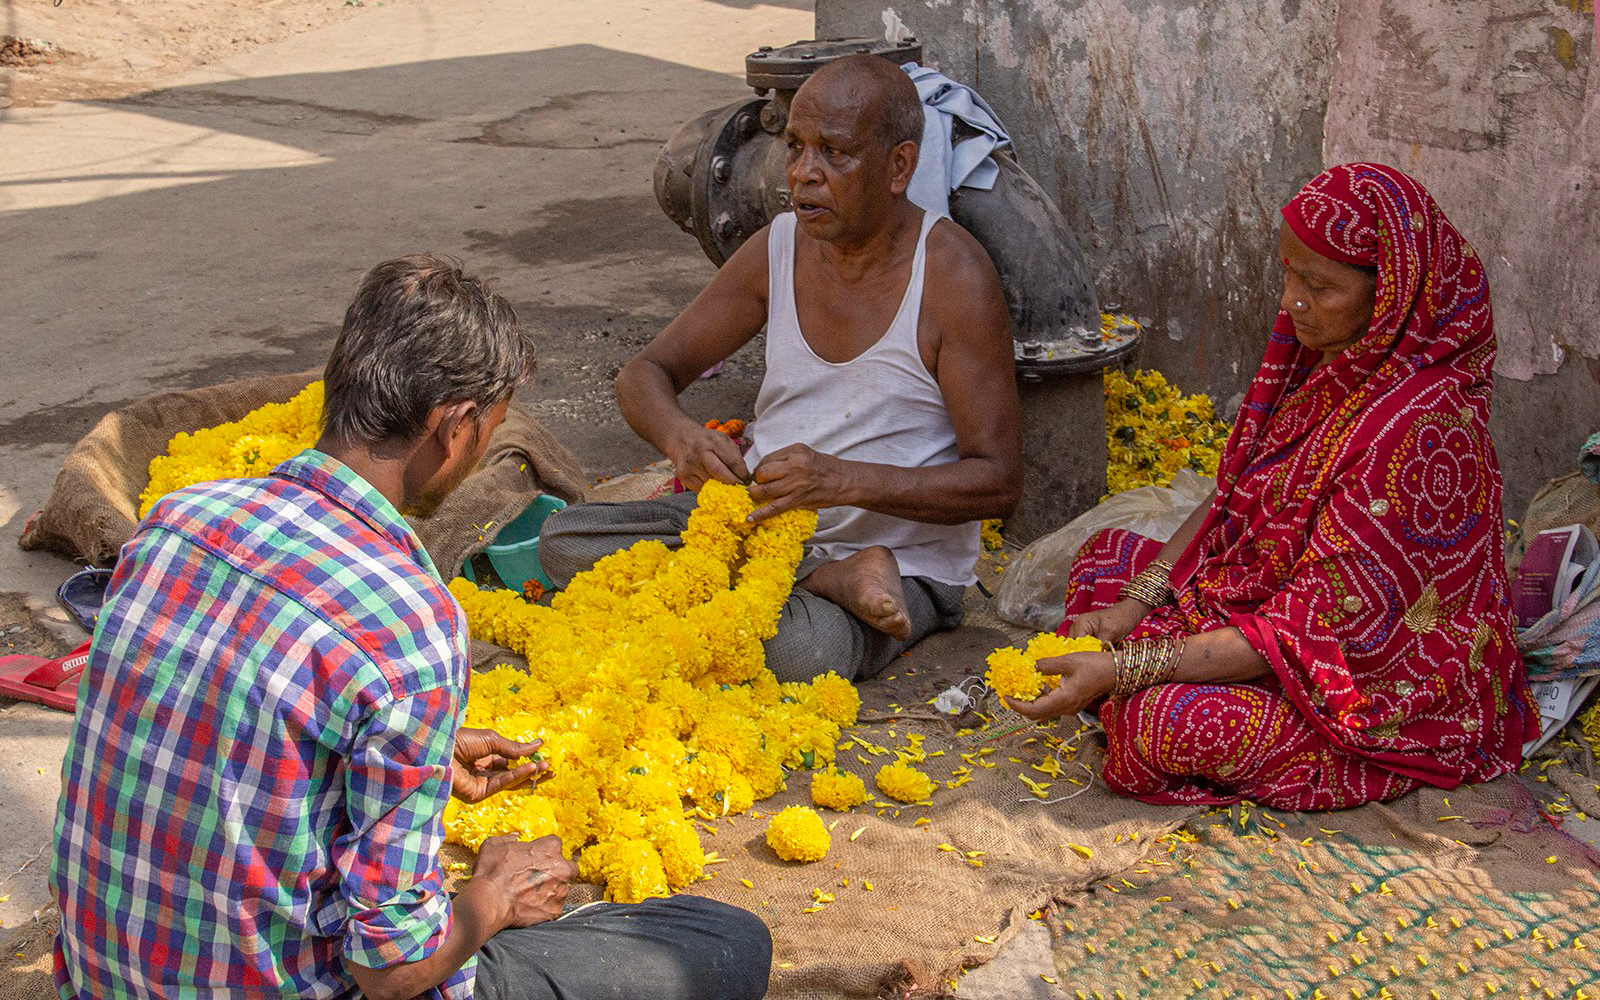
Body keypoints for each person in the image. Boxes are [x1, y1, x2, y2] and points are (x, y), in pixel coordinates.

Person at [51, 256, 772, 1000]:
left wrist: (424, 746)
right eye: (489, 431)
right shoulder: (409, 620)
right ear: (455, 429)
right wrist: (491, 901)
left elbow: (215, 712)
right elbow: (388, 970)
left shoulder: (176, 523)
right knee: (726, 944)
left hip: (105, 979)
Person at [1009, 164, 1540, 810]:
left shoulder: (1420, 433)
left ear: (1392, 294)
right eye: (1288, 275)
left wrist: (1126, 666)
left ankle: (1127, 695)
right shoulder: (1326, 355)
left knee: (1160, 723)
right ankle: (1125, 680)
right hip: (1269, 605)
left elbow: (1301, 635)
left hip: (1359, 683)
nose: (1292, 301)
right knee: (1105, 563)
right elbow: (1233, 491)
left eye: (1317, 285)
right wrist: (1134, 607)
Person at [540, 54, 1024, 683]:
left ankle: (836, 579)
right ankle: (824, 581)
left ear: (899, 166)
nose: (802, 175)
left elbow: (997, 482)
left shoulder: (954, 276)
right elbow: (645, 374)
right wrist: (681, 439)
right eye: (795, 147)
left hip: (902, 563)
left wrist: (842, 481)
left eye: (834, 153)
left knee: (795, 654)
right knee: (563, 542)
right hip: (758, 523)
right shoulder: (778, 246)